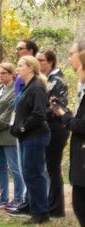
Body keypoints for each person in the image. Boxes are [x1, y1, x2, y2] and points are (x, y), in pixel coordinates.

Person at [9, 55, 51, 223]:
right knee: (29, 173)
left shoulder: (36, 88)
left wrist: (22, 127)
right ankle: (35, 207)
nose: (17, 69)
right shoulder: (27, 87)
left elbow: (39, 114)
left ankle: (41, 212)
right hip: (27, 136)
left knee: (33, 174)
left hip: (36, 136)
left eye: (20, 66)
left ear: (31, 68)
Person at [48, 40, 85, 225]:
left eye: (72, 54)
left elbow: (82, 126)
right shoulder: (81, 87)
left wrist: (63, 115)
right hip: (80, 158)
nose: (69, 58)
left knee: (80, 204)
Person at [0, 62, 24, 211]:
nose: (0, 76)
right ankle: (3, 197)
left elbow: (9, 114)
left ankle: (19, 197)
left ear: (12, 74)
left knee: (15, 168)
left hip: (8, 135)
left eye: (4, 73)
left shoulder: (16, 90)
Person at [38, 49, 68, 218]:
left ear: (50, 62)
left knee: (53, 168)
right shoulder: (45, 80)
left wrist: (37, 113)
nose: (39, 63)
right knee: (49, 168)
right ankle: (52, 204)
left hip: (57, 128)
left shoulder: (56, 81)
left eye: (41, 60)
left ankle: (56, 208)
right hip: (48, 127)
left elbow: (56, 107)